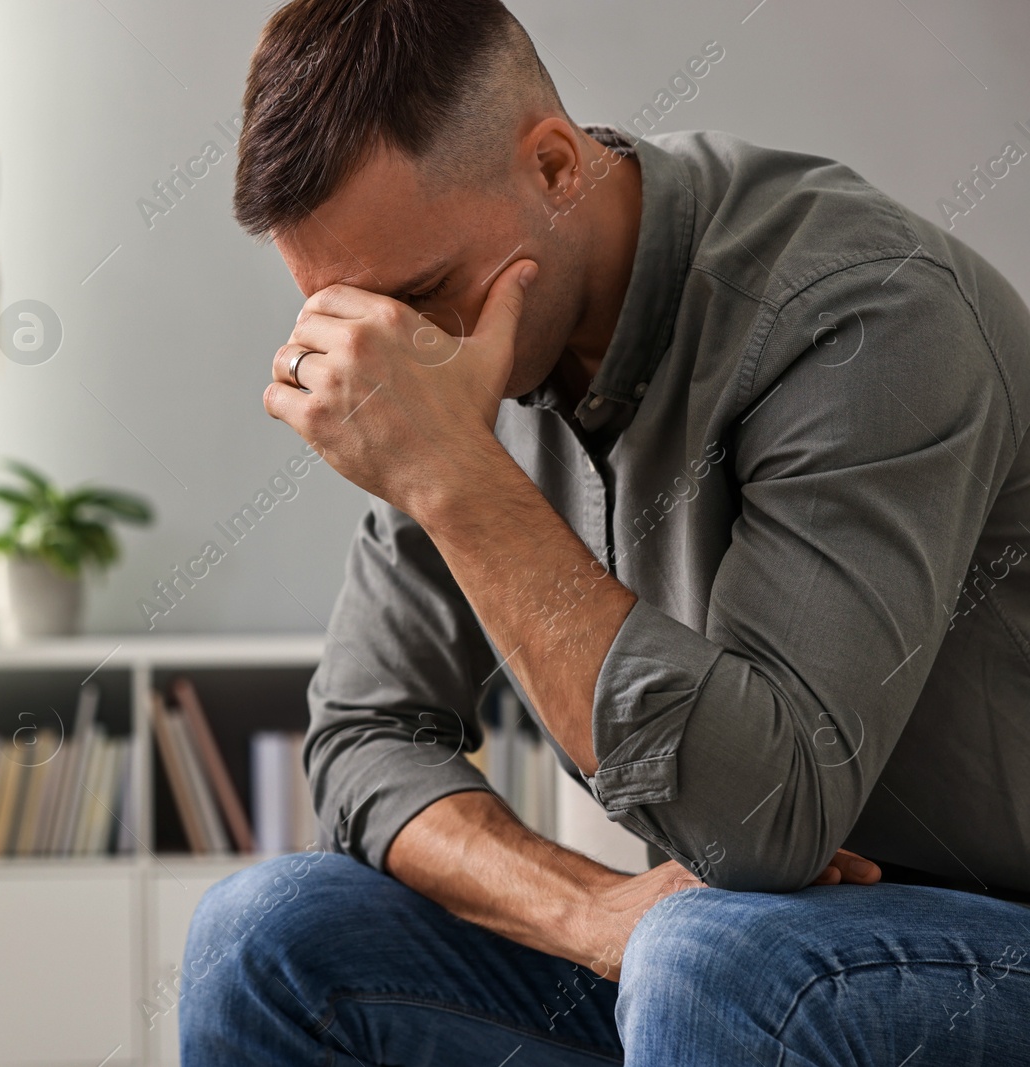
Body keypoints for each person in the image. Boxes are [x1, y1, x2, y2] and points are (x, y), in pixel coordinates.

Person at [181, 1, 1030, 1063]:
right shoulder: (454, 354)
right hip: (712, 955)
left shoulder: (862, 309)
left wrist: (456, 479)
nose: (393, 354)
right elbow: (365, 737)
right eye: (350, 312)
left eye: (421, 295)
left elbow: (762, 825)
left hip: (986, 946)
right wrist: (586, 912)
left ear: (551, 168)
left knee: (706, 955)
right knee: (258, 936)